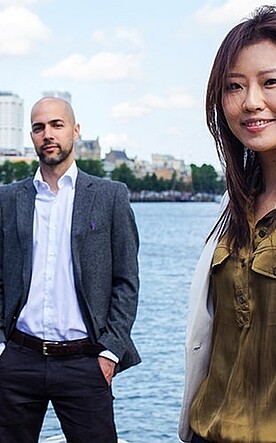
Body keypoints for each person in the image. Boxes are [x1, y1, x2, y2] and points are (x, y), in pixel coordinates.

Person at [179, 5, 276, 443]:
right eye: (234, 86)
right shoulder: (234, 202)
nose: (251, 102)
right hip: (208, 431)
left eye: (272, 82)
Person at [0, 97, 140, 443]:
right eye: (38, 127)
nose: (48, 134)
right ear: (31, 136)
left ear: (75, 131)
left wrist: (110, 352)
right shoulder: (8, 199)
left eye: (57, 125)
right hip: (18, 359)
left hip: (85, 361)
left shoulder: (110, 196)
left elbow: (126, 282)